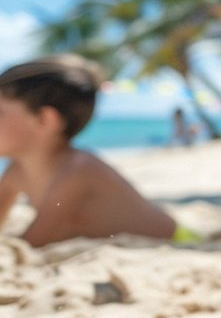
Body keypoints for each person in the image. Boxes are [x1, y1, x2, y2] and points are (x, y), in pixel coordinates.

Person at [0, 54, 177, 246]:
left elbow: (32, 243)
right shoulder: (16, 171)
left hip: (177, 239)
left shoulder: (78, 171)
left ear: (45, 119)